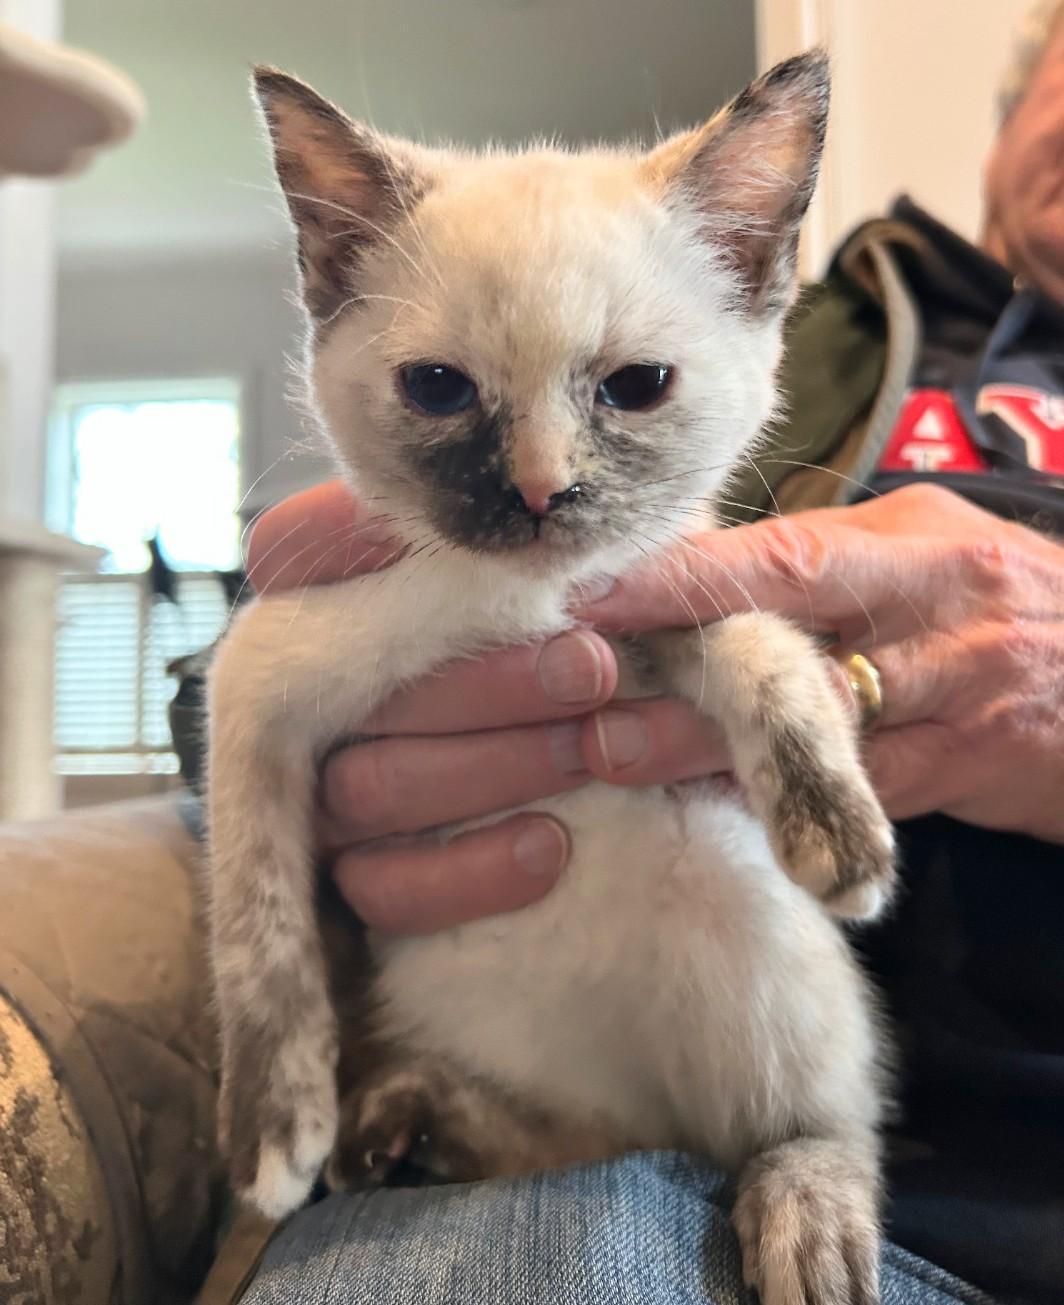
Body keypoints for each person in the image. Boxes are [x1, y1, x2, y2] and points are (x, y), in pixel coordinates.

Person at [221, 13, 1064, 1305]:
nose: (544, 482)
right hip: (594, 1056)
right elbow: (246, 690)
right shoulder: (828, 317)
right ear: (1016, 107)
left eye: (636, 384)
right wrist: (343, 746)